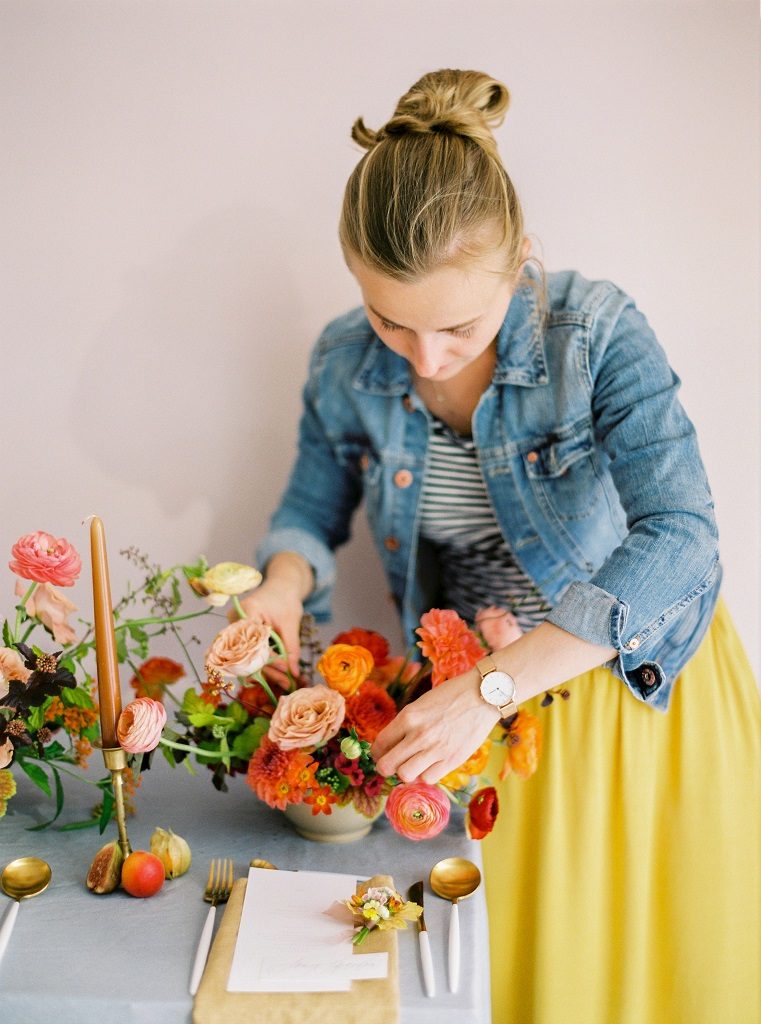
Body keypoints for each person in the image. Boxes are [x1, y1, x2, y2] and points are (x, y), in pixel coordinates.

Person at [239, 69, 760, 1024]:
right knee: (506, 973)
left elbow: (683, 538)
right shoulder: (340, 360)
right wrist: (280, 585)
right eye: (390, 319)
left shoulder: (595, 332)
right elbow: (309, 513)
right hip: (472, 709)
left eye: (457, 327)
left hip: (622, 689)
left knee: (635, 968)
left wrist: (491, 688)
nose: (423, 357)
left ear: (519, 258)